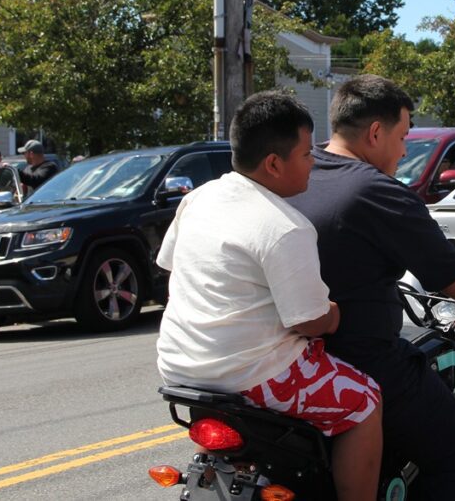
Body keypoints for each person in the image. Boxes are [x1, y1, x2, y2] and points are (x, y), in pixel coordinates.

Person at [287, 74, 455, 500]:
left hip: (291, 357)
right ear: (376, 132)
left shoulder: (300, 172)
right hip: (363, 359)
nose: (403, 149)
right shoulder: (376, 191)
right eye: (403, 135)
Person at [156, 91, 382, 501]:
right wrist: (335, 314)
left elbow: (173, 265)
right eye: (306, 155)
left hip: (180, 369)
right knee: (364, 400)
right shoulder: (285, 226)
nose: (314, 163)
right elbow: (308, 321)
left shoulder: (199, 199)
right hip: (252, 377)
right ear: (274, 163)